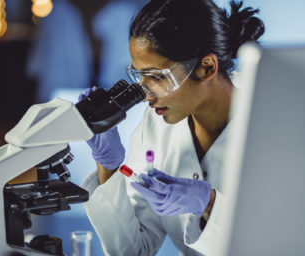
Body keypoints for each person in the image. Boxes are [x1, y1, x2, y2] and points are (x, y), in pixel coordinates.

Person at [81, 0, 265, 255]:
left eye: (157, 76)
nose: (146, 95)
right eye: (140, 75)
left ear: (207, 67)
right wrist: (109, 166)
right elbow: (134, 251)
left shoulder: (268, 122)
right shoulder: (155, 125)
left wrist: (210, 204)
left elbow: (288, 239)